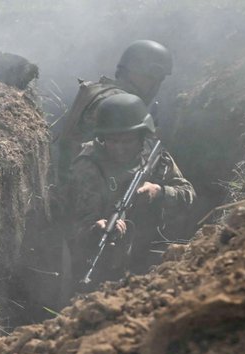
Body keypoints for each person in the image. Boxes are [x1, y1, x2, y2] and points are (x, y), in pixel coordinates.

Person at [64, 93, 194, 284]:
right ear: (102, 138)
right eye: (113, 141)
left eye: (128, 141)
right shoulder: (88, 167)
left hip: (150, 252)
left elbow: (188, 193)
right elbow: (71, 225)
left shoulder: (153, 155)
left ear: (142, 136)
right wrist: (95, 229)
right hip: (105, 262)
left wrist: (159, 191)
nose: (120, 148)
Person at [55, 40, 174, 184]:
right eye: (152, 78)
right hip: (84, 187)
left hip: (73, 182)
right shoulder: (118, 102)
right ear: (133, 73)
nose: (155, 86)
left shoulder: (103, 92)